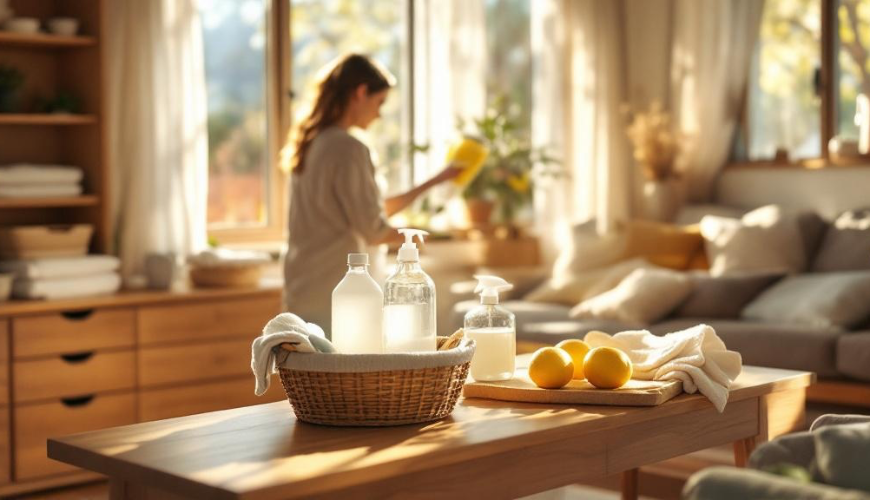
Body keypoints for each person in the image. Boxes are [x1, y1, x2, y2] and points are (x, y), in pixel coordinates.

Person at [281, 53, 460, 334]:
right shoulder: (349, 148)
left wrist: (436, 180)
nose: (379, 113)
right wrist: (421, 236)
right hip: (342, 299)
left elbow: (368, 212)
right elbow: (373, 230)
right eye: (380, 103)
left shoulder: (312, 144)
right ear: (361, 92)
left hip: (303, 292)